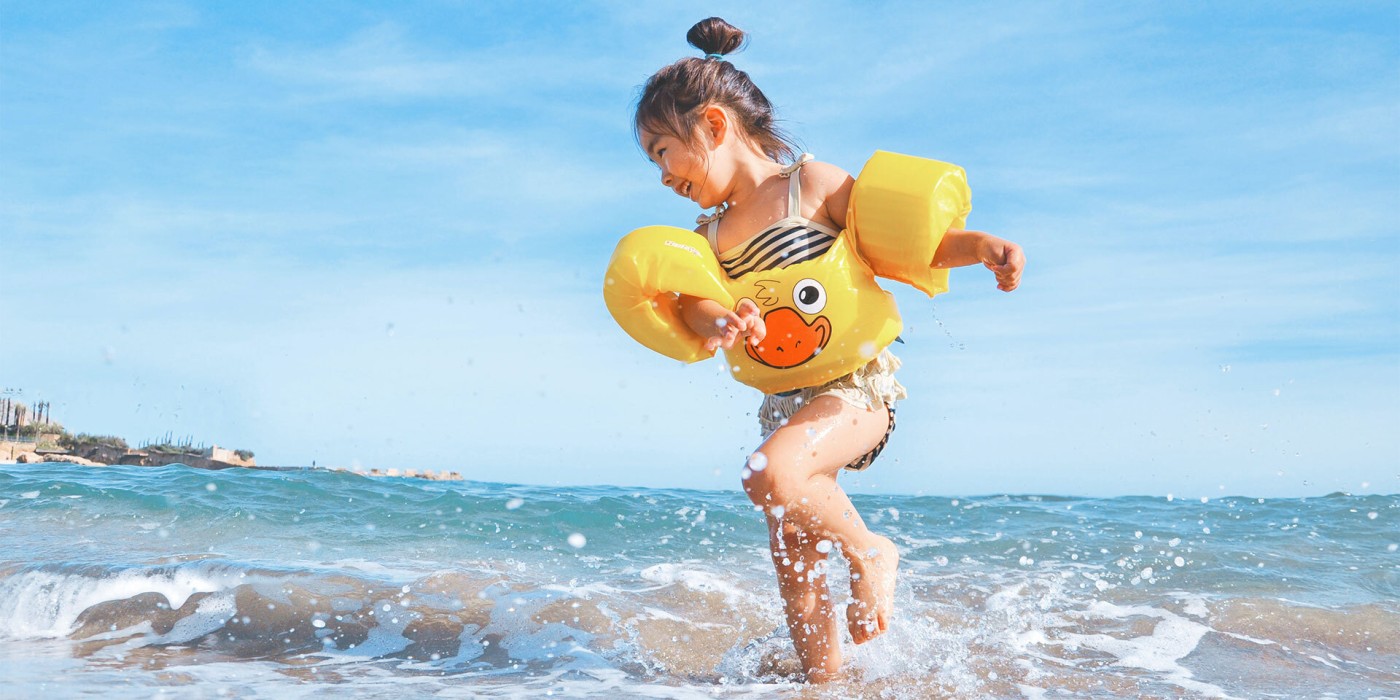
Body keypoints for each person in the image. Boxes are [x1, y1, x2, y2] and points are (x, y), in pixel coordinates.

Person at [631, 17, 1024, 682]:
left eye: (663, 151)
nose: (662, 175)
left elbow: (903, 243)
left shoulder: (809, 186)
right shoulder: (709, 234)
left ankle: (871, 554)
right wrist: (721, 320)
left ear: (715, 126)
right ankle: (824, 685)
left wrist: (979, 245)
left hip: (857, 389)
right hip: (782, 405)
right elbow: (695, 305)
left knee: (768, 476)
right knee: (794, 564)